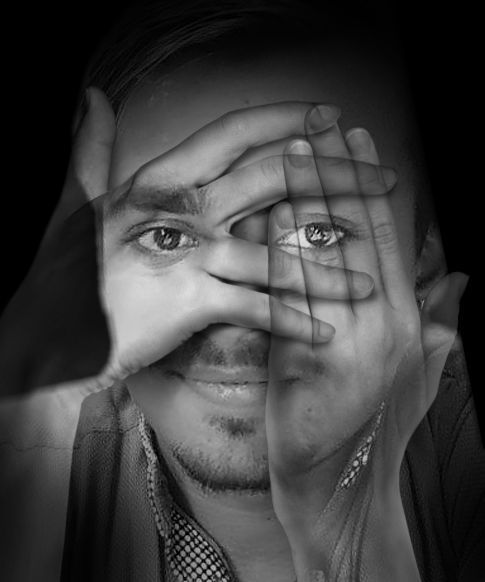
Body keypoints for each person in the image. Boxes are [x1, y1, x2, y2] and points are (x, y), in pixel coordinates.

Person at [0, 1, 483, 580]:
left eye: (317, 233)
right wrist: (34, 420)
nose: (242, 317)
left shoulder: (465, 450)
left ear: (423, 258)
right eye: (166, 235)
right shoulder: (40, 438)